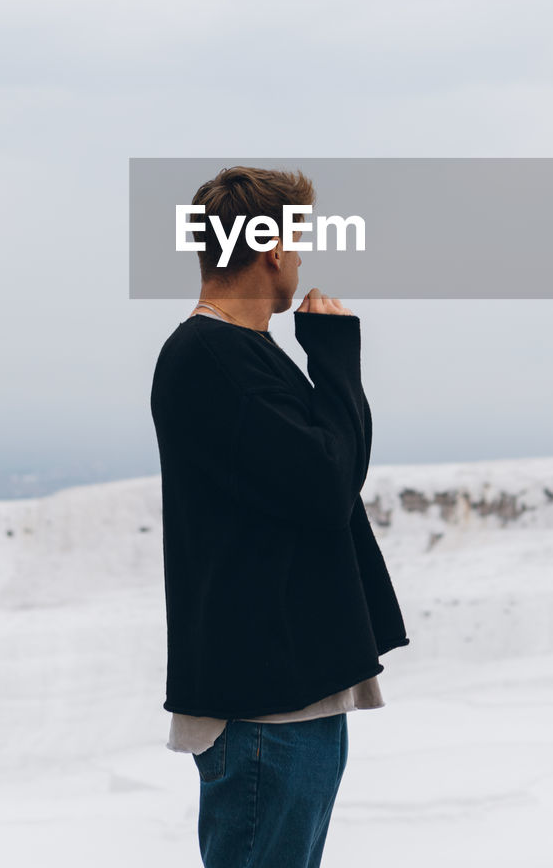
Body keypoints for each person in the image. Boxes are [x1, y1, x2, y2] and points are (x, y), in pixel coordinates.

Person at [150, 165, 409, 868]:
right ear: (267, 248)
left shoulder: (242, 353)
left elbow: (322, 478)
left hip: (287, 695)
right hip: (264, 706)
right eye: (296, 240)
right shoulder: (209, 356)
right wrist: (334, 357)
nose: (298, 258)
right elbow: (327, 484)